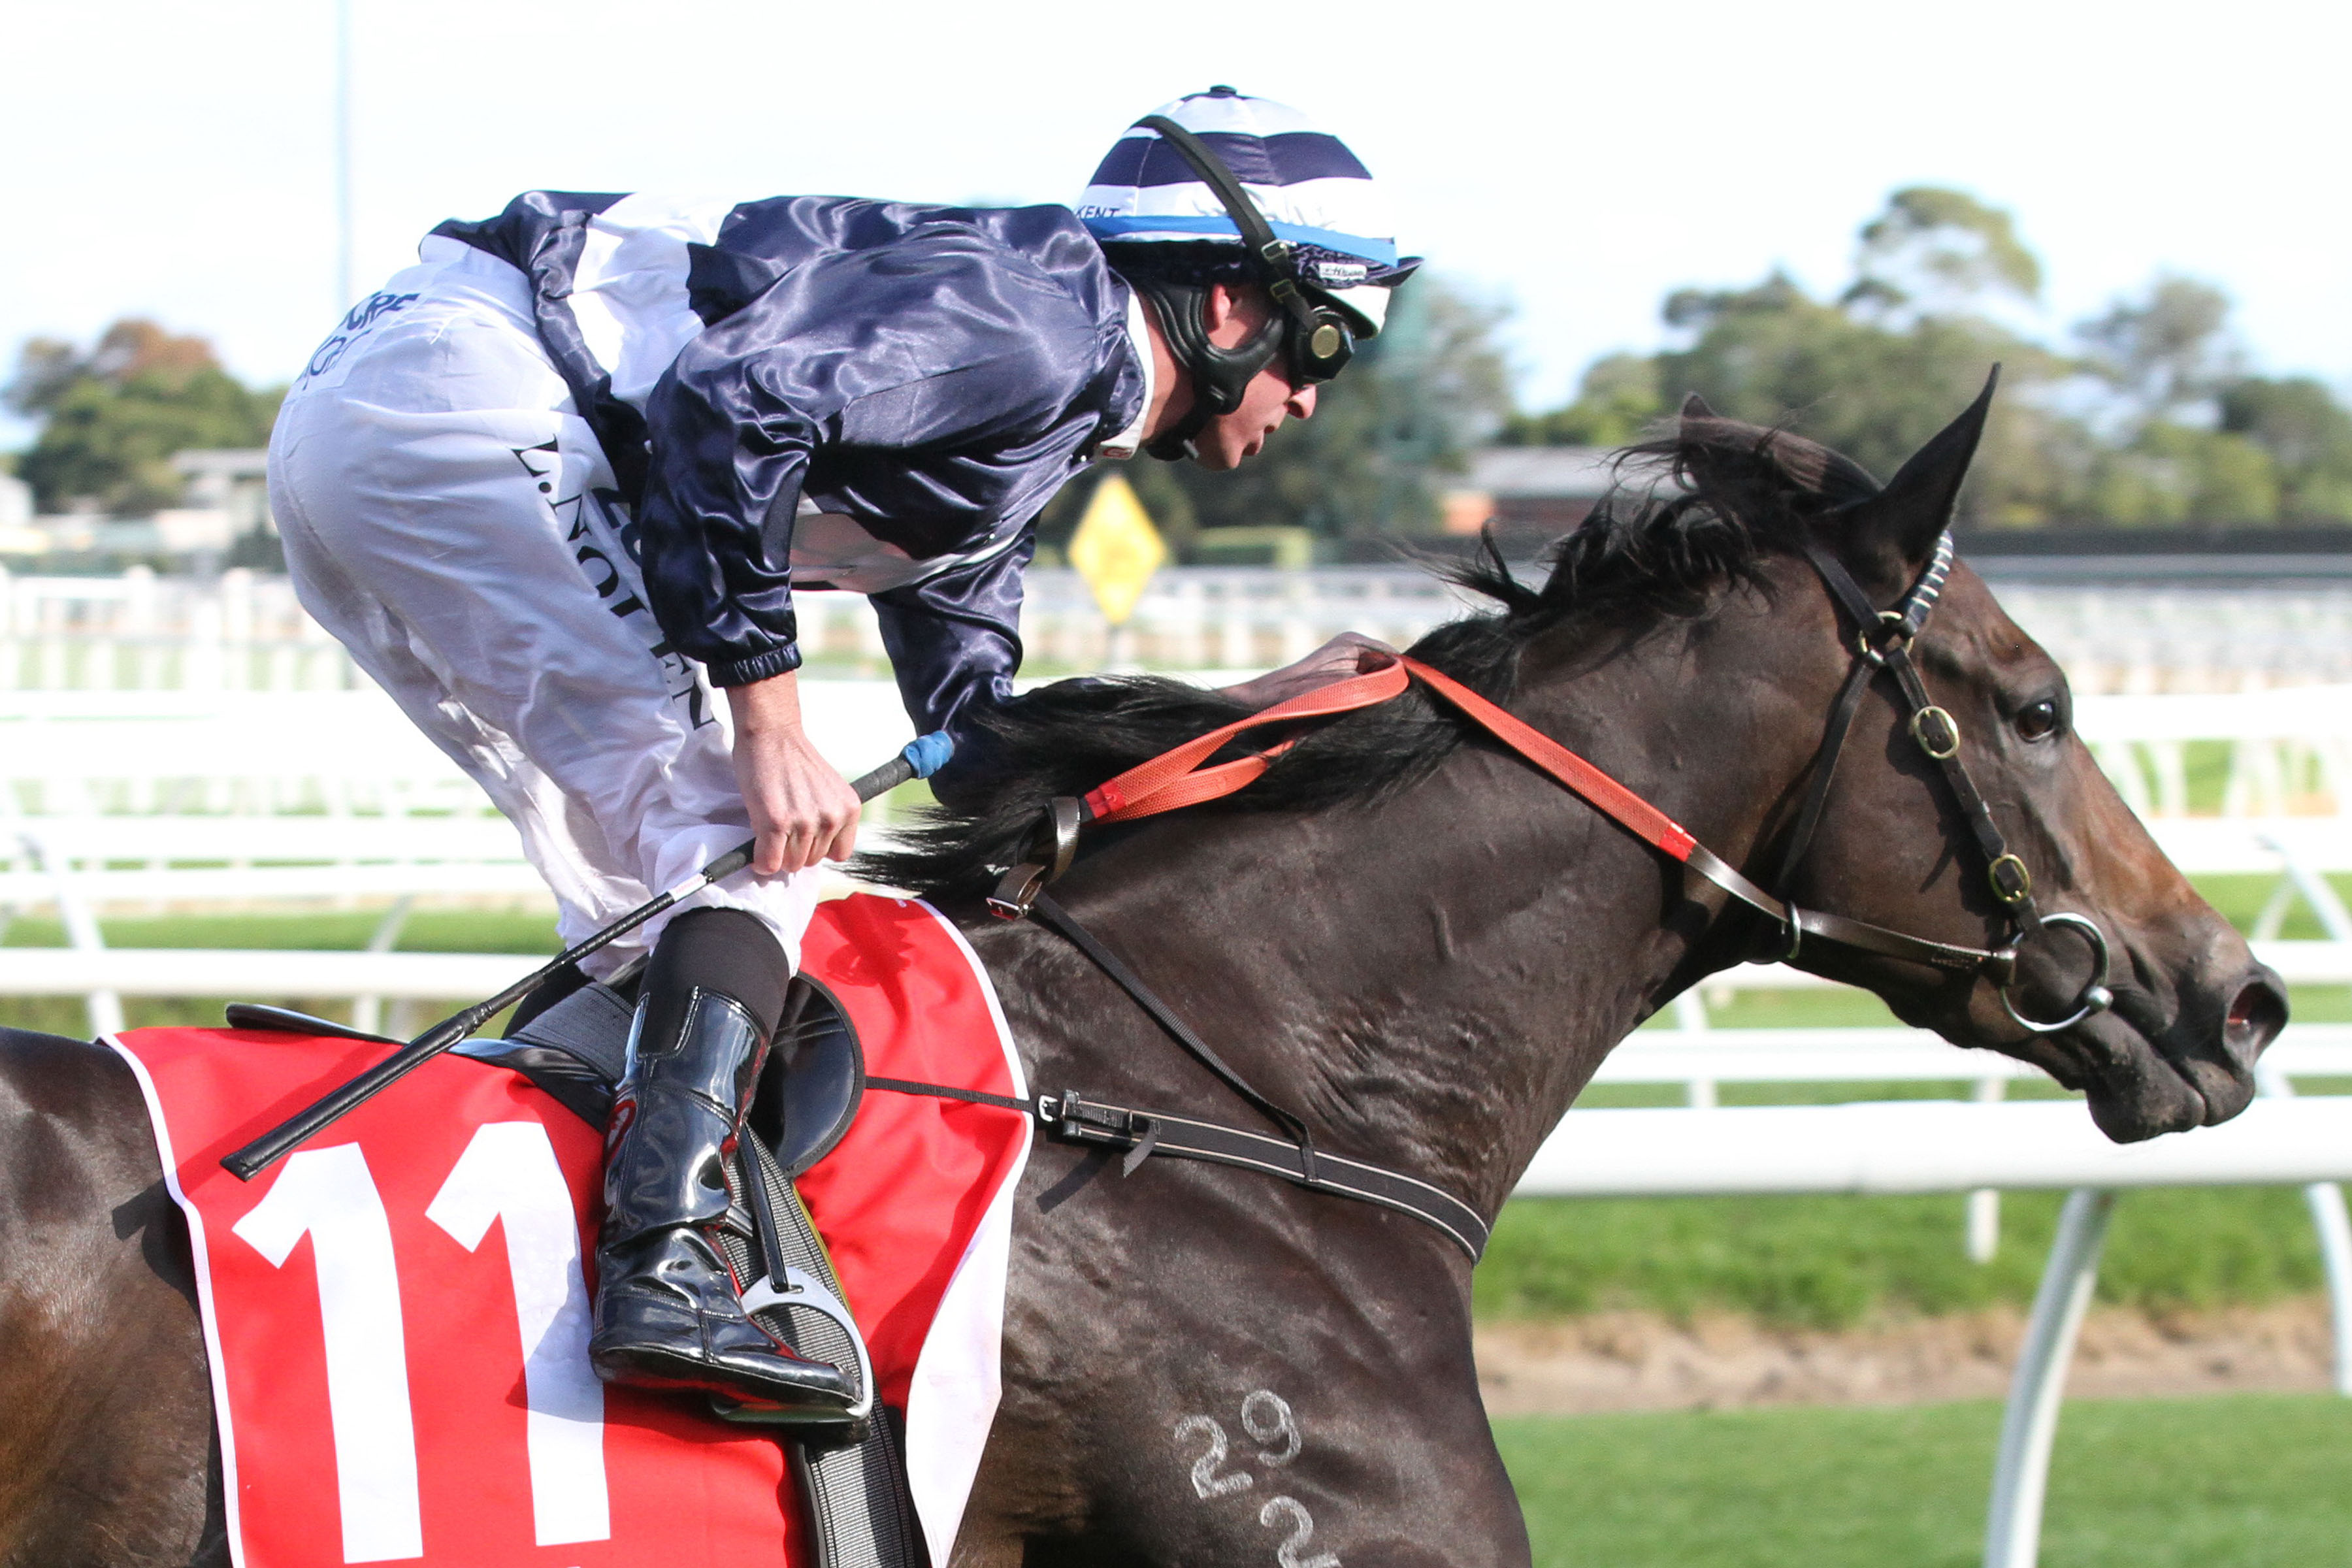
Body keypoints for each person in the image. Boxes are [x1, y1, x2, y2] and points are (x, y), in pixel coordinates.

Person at [267, 86, 1416, 1413]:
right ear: (1228, 304)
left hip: (381, 414)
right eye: (1322, 344)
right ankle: (661, 1269)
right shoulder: (1046, 326)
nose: (1309, 398)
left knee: (653, 893)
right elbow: (730, 405)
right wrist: (771, 721)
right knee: (743, 852)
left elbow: (975, 739)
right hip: (460, 396)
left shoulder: (1025, 423)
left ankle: (525, 1234)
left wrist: (1239, 710)